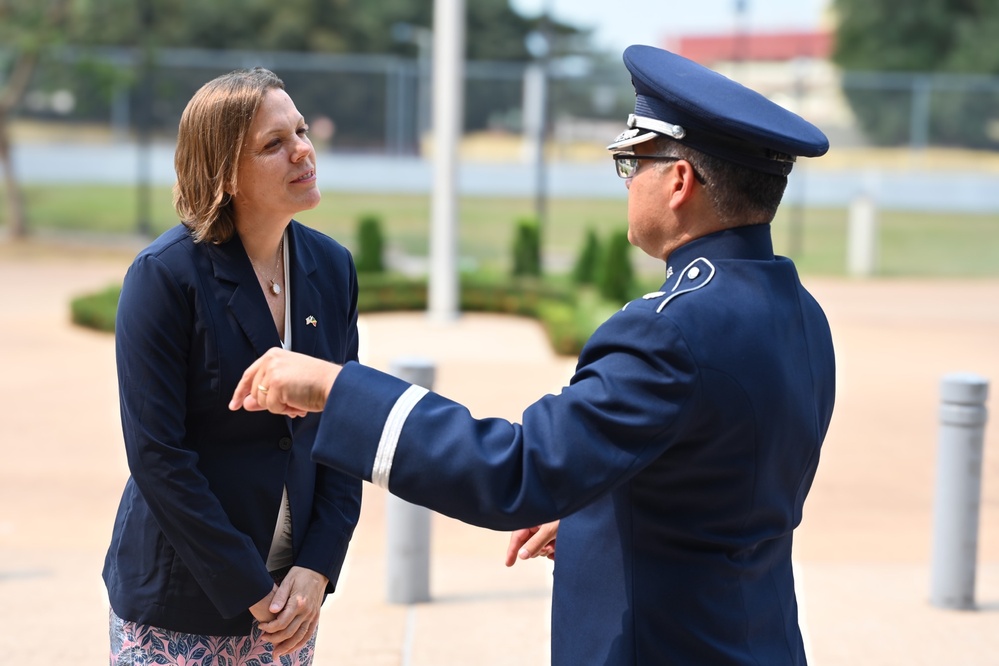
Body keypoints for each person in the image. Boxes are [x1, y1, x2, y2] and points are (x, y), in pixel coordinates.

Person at [230, 45, 835, 666]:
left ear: (678, 181)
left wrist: (338, 391)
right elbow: (721, 480)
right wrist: (603, 518)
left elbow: (516, 471)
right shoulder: (798, 311)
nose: (628, 184)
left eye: (633, 163)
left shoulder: (670, 330)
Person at [103, 67, 362, 665]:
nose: (303, 150)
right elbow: (157, 457)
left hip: (293, 597)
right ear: (225, 172)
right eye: (274, 144)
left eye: (300, 130)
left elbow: (345, 426)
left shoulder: (332, 267)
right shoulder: (164, 277)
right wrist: (253, 588)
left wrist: (317, 567)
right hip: (183, 597)